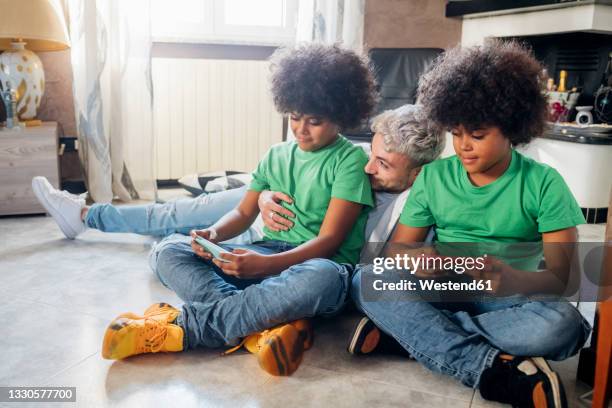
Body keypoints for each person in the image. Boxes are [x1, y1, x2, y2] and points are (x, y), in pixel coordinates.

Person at [99, 44, 378, 377]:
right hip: (265, 258)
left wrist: (267, 264)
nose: (301, 129)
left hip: (315, 266)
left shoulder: (350, 160)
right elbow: (244, 214)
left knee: (323, 278)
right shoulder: (276, 155)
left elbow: (331, 241)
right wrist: (213, 234)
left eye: (314, 121)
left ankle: (182, 330)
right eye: (294, 118)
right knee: (167, 250)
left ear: (341, 115)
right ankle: (261, 330)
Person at [348, 41, 591, 408]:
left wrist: (516, 278)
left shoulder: (544, 183)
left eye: (477, 135)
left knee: (564, 326)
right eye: (457, 133)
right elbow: (398, 251)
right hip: (443, 284)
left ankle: (407, 337)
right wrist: (418, 259)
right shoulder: (434, 177)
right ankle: (489, 370)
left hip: (508, 299)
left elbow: (564, 276)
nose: (463, 147)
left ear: (512, 127)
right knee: (366, 279)